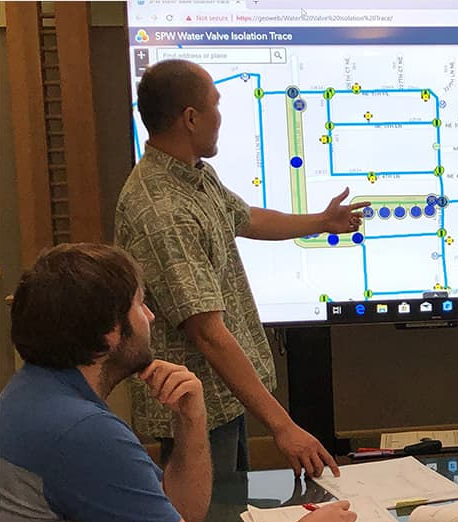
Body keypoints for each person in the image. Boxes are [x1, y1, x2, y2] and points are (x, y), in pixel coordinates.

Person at [0, 244, 358, 522]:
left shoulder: (30, 395)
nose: (151, 316)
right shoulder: (81, 433)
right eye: (139, 305)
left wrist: (191, 419)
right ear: (110, 333)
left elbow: (181, 516)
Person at [116, 59, 368, 477]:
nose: (221, 117)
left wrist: (321, 222)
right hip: (193, 412)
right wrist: (283, 427)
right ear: (191, 118)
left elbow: (244, 217)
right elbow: (208, 334)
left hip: (223, 400)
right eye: (216, 105)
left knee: (233, 518)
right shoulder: (162, 209)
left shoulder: (196, 177)